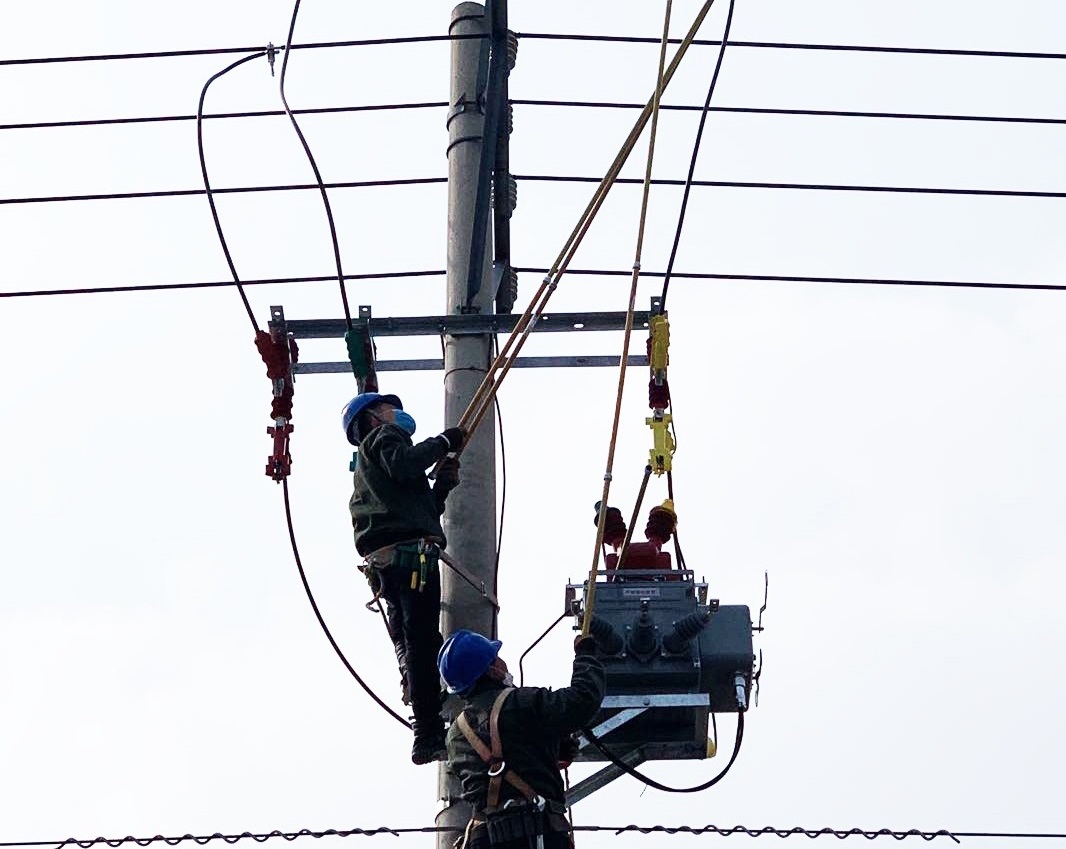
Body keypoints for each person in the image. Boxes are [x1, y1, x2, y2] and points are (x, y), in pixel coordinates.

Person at [342, 391, 466, 765]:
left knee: (412, 640)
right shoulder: (382, 439)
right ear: (371, 419)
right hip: (408, 557)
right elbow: (405, 463)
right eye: (386, 409)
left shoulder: (373, 470)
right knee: (423, 641)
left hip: (389, 561)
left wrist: (441, 485)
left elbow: (420, 509)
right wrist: (443, 442)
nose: (395, 414)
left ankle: (423, 702)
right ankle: (428, 731)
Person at [438, 629, 606, 849]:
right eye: (497, 659)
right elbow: (582, 701)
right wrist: (586, 656)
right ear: (492, 670)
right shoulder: (520, 704)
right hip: (533, 834)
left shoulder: (456, 735)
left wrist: (551, 747)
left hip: (486, 839)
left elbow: (507, 759)